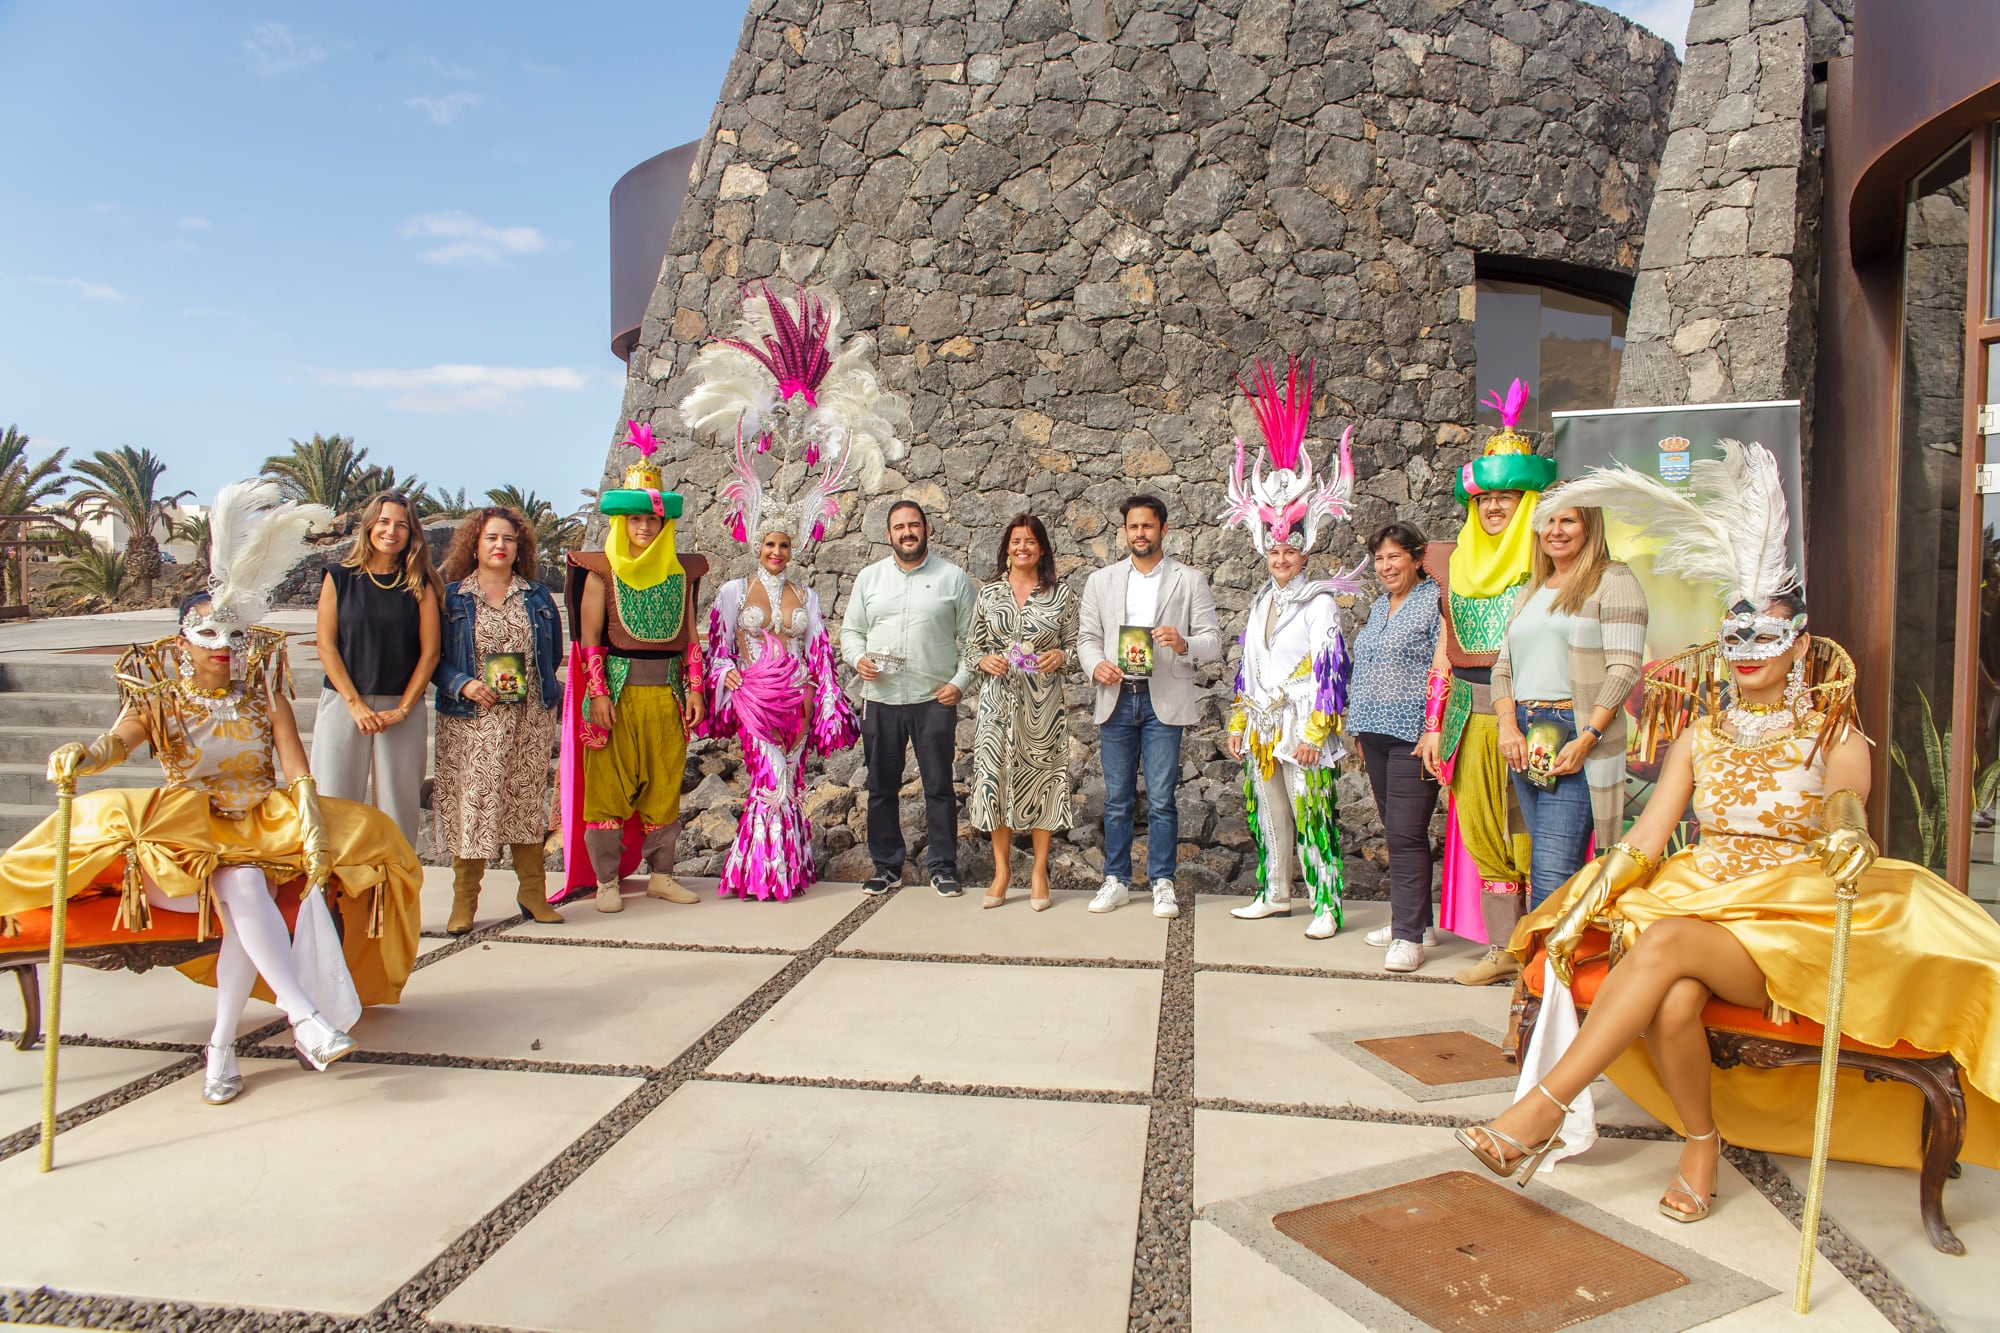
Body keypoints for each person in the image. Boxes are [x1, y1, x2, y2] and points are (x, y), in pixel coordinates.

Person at [1459, 439, 2000, 1215]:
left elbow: (1848, 796)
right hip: (1702, 890)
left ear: (1800, 646)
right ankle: (1701, 1146)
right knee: (1674, 997)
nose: (1748, 651)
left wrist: (1848, 832)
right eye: (1735, 635)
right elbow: (1646, 841)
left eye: (1768, 637)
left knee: (1668, 941)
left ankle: (1539, 1111)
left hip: (1790, 913)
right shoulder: (1700, 736)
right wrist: (1587, 893)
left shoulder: (1833, 732)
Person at [6, 482, 422, 1103]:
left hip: (259, 826)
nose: (223, 649)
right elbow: (117, 741)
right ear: (182, 643)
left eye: (232, 636)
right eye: (207, 636)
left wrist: (311, 829)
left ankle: (224, 1046)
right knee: (239, 884)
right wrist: (82, 755)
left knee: (252, 885)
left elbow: (299, 771)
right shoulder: (162, 699)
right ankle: (300, 1015)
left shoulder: (264, 695)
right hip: (187, 840)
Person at [680, 281, 906, 901]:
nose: (777, 552)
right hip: (755, 698)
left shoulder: (805, 599)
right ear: (756, 542)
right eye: (770, 544)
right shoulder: (731, 593)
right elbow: (719, 647)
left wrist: (819, 693)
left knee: (794, 783)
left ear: (795, 545)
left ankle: (785, 868)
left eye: (785, 545)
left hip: (796, 703)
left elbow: (819, 654)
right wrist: (725, 675)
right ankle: (762, 872)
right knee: (769, 782)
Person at [1414, 380, 1554, 987]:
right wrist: (1433, 724)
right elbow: (1447, 650)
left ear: (1529, 502)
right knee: (1478, 822)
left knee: (1531, 825)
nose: (1495, 508)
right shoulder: (1456, 565)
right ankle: (1503, 946)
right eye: (1487, 499)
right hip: (1469, 711)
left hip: (1531, 711)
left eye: (1509, 497)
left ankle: (1540, 952)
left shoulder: (1548, 565)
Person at [1215, 359, 1358, 939]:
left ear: (1304, 552)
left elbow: (1333, 668)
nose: (1280, 561)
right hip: (1262, 724)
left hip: (1303, 724)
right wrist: (1236, 718)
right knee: (1268, 814)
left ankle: (1326, 903)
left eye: (1289, 554)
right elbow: (1247, 667)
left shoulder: (1320, 602)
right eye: (1273, 554)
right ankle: (1274, 892)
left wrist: (1317, 730)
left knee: (1312, 813)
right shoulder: (1257, 603)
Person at [557, 421, 708, 912]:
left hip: (665, 693)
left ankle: (662, 874)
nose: (644, 528)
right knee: (609, 783)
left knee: (665, 781)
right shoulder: (602, 571)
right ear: (622, 523)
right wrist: (597, 693)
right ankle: (605, 881)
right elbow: (591, 643)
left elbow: (690, 639)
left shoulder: (680, 573)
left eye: (653, 521)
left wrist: (695, 688)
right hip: (616, 694)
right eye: (636, 520)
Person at [1490, 504, 1646, 910]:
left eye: (1568, 520)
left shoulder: (1613, 580)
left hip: (1574, 728)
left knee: (1553, 868)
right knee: (1544, 858)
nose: (1555, 531)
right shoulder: (1532, 588)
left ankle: (1545, 970)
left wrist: (1590, 737)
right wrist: (1508, 725)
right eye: (1548, 522)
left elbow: (1625, 667)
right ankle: (1546, 966)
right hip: (1527, 733)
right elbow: (1502, 667)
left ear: (1590, 525)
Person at [1079, 493, 1223, 919]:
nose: (1139, 533)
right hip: (1117, 698)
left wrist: (1183, 643)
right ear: (1124, 532)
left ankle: (1163, 881)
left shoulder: (1189, 580)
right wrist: (1096, 666)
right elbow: (1086, 638)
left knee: (1162, 799)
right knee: (1117, 799)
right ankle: (1117, 879)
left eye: (1147, 525)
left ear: (1163, 529)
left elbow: (1213, 642)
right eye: (1133, 526)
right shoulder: (1100, 581)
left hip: (1163, 700)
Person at [430, 505, 564, 933]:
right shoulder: (452, 597)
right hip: (473, 718)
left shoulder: (537, 596)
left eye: (508, 539)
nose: (500, 546)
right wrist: (462, 684)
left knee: (525, 802)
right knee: (474, 804)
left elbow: (553, 652)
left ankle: (532, 893)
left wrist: (547, 693)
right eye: (491, 538)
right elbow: (431, 657)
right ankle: (464, 901)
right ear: (475, 543)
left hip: (528, 717)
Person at [840, 501, 977, 898]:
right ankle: (887, 866)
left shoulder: (953, 578)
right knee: (881, 787)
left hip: (934, 698)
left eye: (913, 525)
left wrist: (960, 682)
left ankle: (942, 866)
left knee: (938, 785)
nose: (907, 532)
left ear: (927, 529)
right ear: (888, 535)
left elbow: (973, 641)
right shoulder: (870, 578)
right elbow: (851, 632)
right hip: (881, 698)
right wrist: (858, 659)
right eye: (899, 527)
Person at [312, 490, 442, 846]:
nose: (391, 531)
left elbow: (430, 654)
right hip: (343, 702)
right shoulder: (338, 578)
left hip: (400, 708)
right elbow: (326, 645)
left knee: (398, 811)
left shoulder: (420, 584)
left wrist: (402, 709)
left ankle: (393, 893)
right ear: (370, 526)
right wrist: (354, 704)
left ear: (411, 533)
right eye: (384, 521)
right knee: (332, 802)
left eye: (401, 524)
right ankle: (331, 895)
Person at [966, 514, 1078, 910]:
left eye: (1030, 541)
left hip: (1042, 709)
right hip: (996, 708)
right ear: (1007, 548)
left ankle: (1039, 871)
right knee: (993, 783)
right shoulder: (989, 594)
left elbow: (1077, 648)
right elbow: (970, 648)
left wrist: (1061, 655)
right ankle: (1001, 871)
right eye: (1016, 541)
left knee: (1044, 783)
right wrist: (984, 661)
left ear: (1042, 548)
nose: (1022, 547)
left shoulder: (1061, 595)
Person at [1347, 521, 1444, 971]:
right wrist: (1360, 730)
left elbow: (1445, 668)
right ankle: (1414, 920)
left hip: (1413, 735)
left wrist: (1434, 727)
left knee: (1406, 834)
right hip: (1375, 734)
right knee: (1397, 830)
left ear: (1417, 557)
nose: (1386, 566)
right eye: (1380, 559)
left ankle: (1409, 937)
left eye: (1394, 557)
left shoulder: (1434, 603)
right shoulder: (1381, 606)